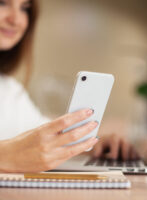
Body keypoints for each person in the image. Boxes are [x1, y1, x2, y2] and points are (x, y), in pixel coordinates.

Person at [0, 0, 132, 173]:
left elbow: (42, 137)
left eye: (25, 8)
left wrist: (94, 143)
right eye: (2, 3)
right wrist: (7, 157)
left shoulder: (10, 89)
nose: (16, 20)